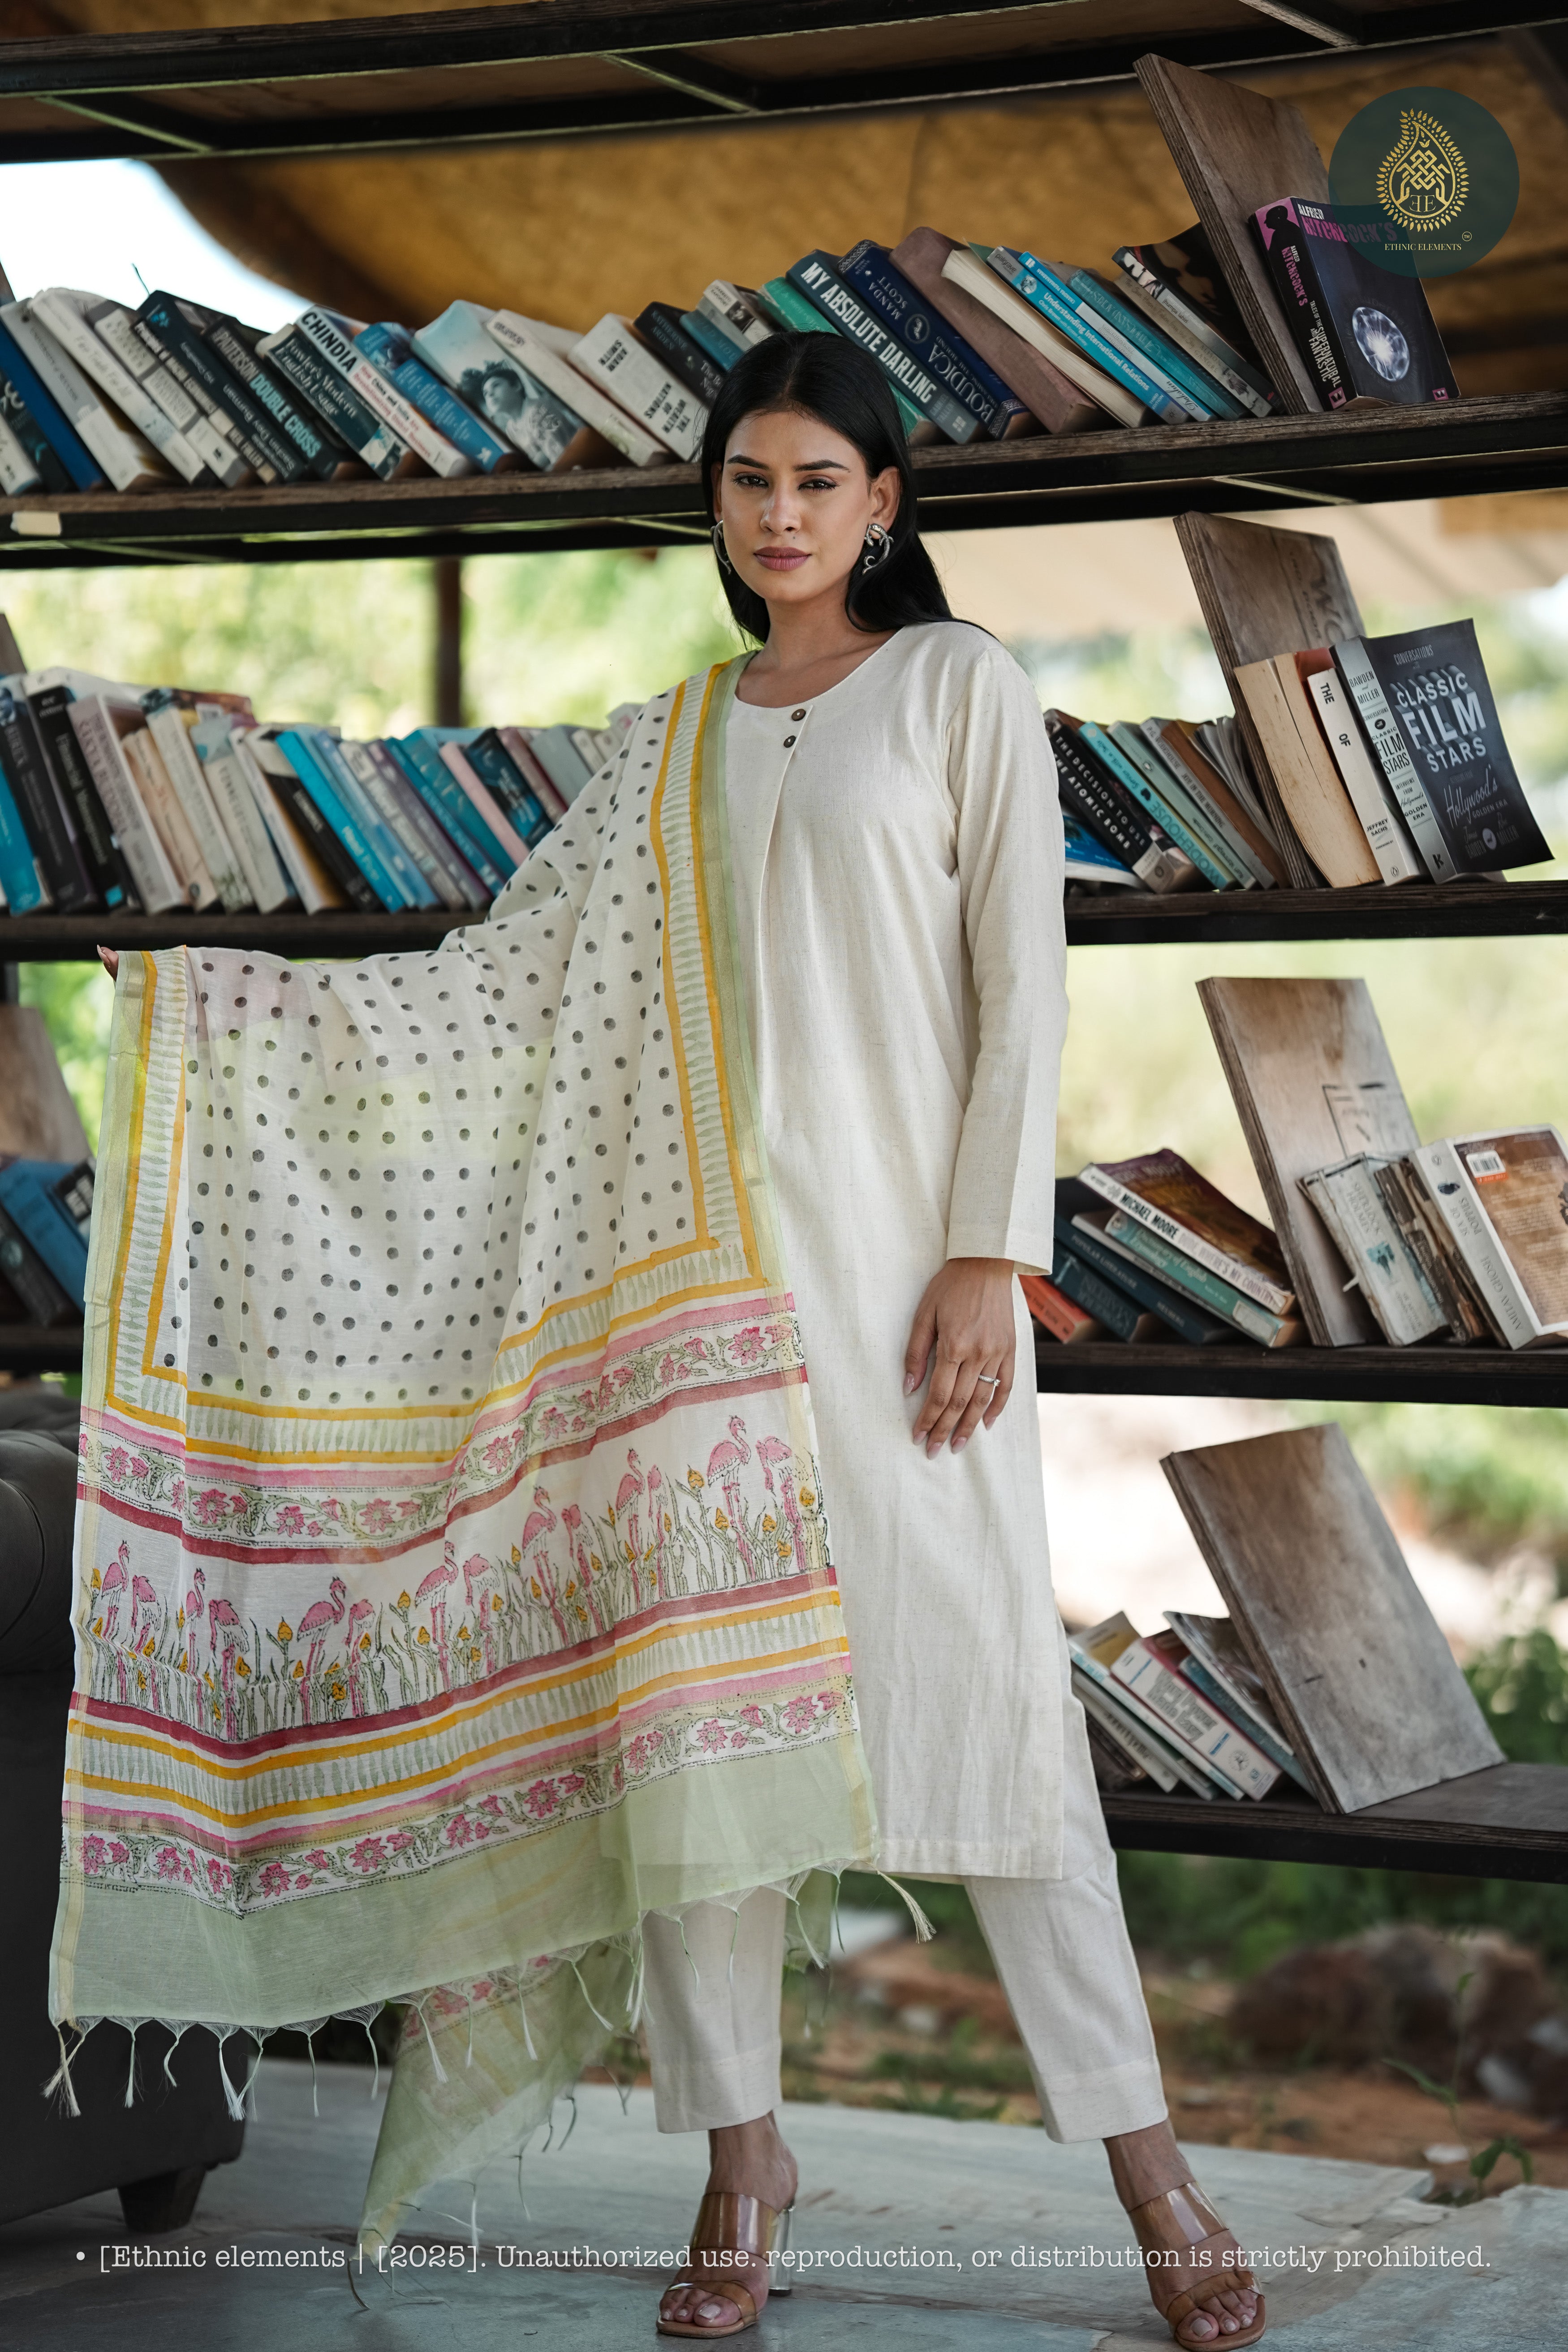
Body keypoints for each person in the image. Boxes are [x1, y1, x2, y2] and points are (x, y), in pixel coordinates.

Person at [641, 335, 1264, 2348]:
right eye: (747, 479)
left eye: (818, 477)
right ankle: (742, 2165)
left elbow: (1027, 986)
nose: (780, 514)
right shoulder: (671, 737)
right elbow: (564, 1002)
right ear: (717, 504)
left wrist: (988, 1255)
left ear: (885, 501)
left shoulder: (955, 687)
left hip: (915, 1297)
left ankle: (1150, 2172)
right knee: (707, 1748)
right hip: (707, 1313)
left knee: (992, 1723)